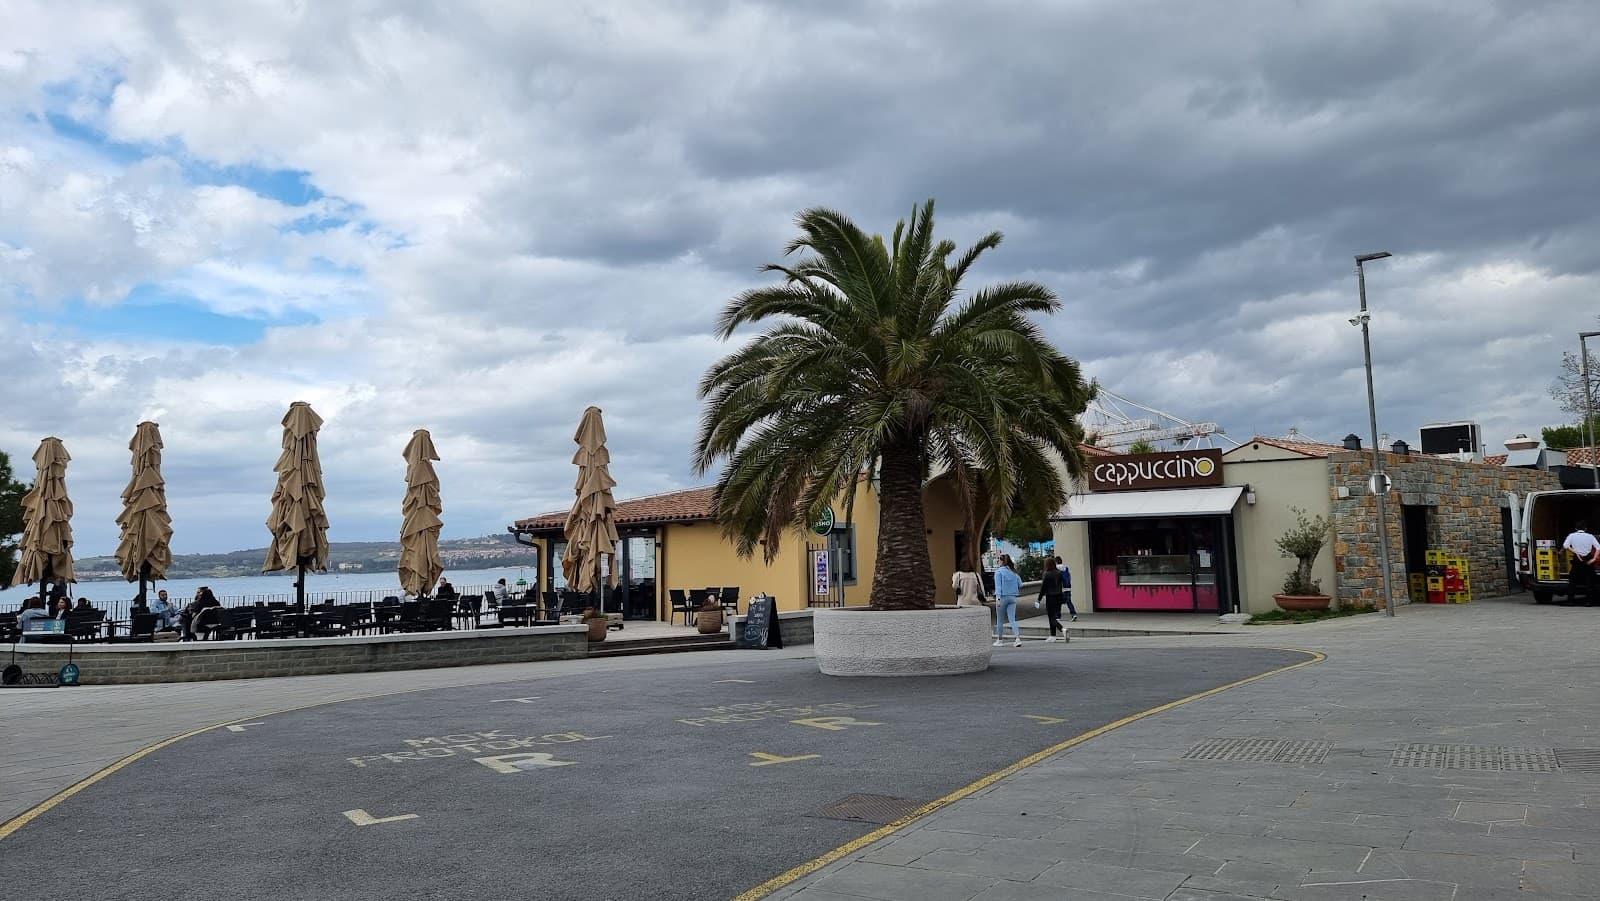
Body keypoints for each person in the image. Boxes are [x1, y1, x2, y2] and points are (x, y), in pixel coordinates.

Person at [1562, 520, 1600, 606]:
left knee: (1572, 581)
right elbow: (1598, 547)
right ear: (1585, 528)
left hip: (1577, 559)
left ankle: (1570, 601)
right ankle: (1589, 602)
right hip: (1588, 559)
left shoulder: (1571, 535)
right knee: (1589, 581)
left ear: (1576, 528)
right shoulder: (1590, 536)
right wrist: (1594, 559)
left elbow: (1565, 545)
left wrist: (1575, 552)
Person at [992, 553, 1023, 647]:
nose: (998, 561)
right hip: (1012, 597)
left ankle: (1000, 640)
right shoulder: (1014, 572)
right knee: (1012, 619)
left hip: (1002, 597)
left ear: (1002, 561)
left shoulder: (999, 572)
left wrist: (997, 598)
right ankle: (1017, 638)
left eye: (999, 560)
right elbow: (1020, 584)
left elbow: (998, 587)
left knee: (1000, 619)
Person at [1036, 557, 1068, 642]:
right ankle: (1052, 635)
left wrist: (1039, 599)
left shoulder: (1047, 574)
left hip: (1050, 597)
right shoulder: (1059, 573)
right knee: (1054, 616)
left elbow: (1043, 588)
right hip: (1059, 597)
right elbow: (1063, 584)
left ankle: (1062, 629)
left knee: (1051, 617)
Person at [1053, 555, 1079, 622]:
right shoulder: (1066, 568)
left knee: (1057, 602)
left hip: (1060, 589)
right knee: (1069, 601)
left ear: (1056, 562)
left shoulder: (1056, 568)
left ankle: (1058, 616)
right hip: (1067, 588)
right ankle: (1073, 614)